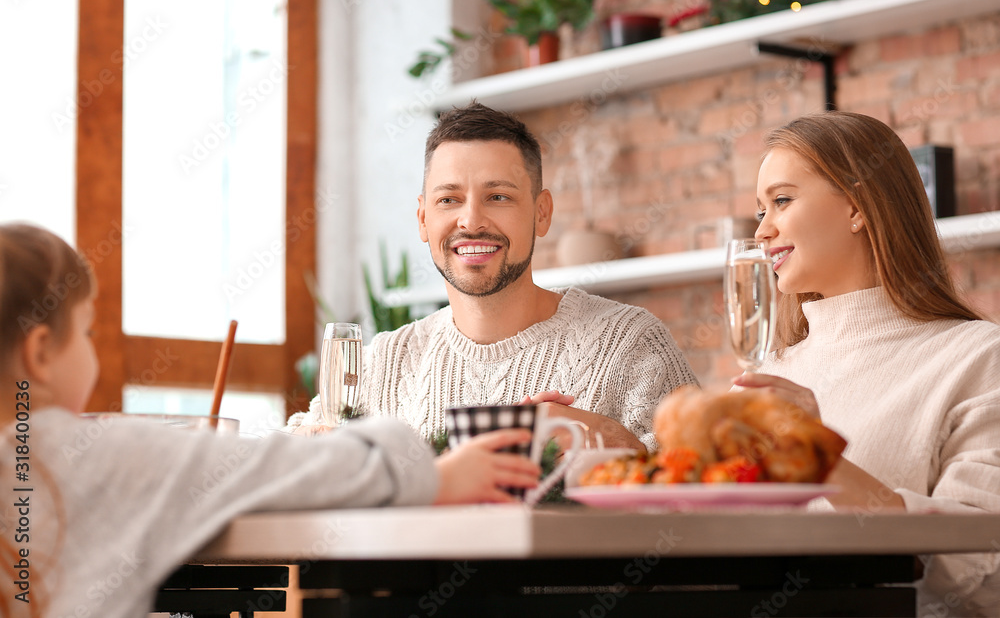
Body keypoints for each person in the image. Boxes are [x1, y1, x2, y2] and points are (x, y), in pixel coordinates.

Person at [0, 223, 540, 618]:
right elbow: (298, 468)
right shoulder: (94, 454)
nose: (94, 352)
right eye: (89, 333)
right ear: (41, 353)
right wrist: (438, 473)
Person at [287, 101, 697, 451]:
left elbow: (713, 488)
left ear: (542, 213)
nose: (471, 220)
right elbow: (296, 453)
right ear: (423, 219)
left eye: (498, 197)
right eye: (449, 199)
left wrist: (609, 437)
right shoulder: (383, 361)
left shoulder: (631, 343)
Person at [734, 111, 1000, 615]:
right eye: (759, 210)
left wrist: (824, 459)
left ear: (857, 207)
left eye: (782, 200)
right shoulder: (776, 374)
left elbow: (983, 569)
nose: (763, 230)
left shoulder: (979, 357)